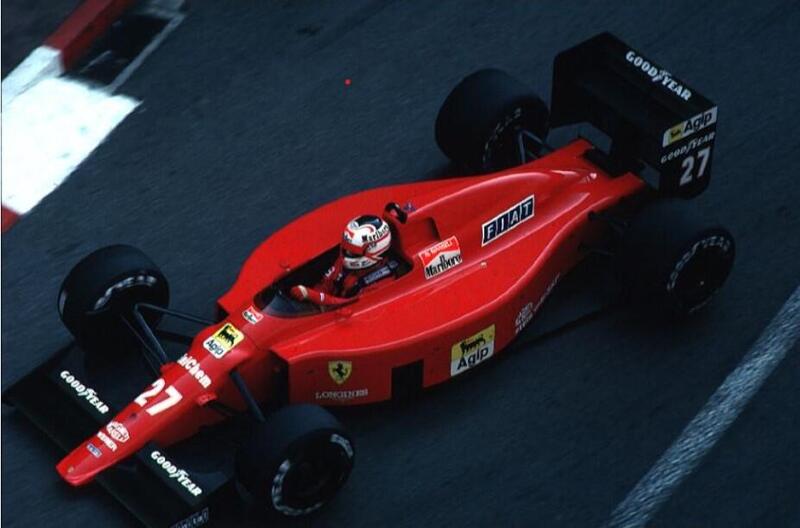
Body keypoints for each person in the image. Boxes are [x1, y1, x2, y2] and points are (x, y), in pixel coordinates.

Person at [290, 214, 398, 307]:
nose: (346, 253)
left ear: (372, 251)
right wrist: (314, 297)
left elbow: (350, 305)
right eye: (346, 249)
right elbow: (326, 283)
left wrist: (310, 295)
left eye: (352, 252)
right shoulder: (346, 260)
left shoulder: (382, 285)